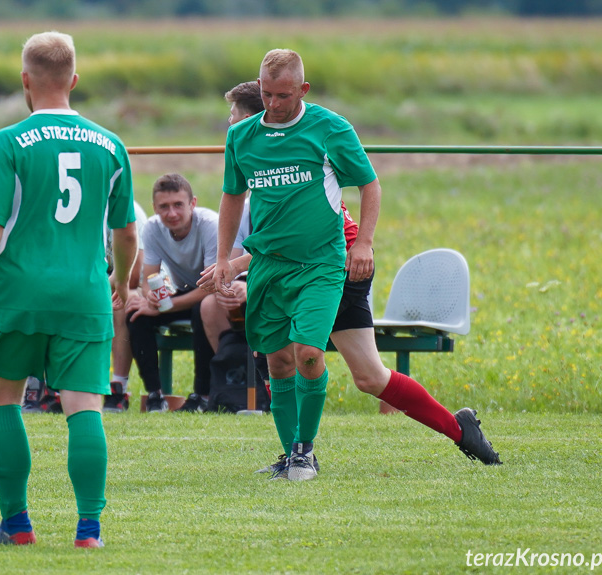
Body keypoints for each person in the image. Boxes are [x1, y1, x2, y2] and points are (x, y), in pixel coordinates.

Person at [214, 51, 501, 482]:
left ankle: (303, 453)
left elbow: (364, 187)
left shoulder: (327, 129)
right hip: (279, 268)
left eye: (282, 96)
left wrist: (363, 244)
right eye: (265, 95)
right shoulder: (245, 139)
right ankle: (456, 429)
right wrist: (228, 260)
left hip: (336, 268)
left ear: (302, 91)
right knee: (354, 374)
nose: (271, 104)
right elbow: (256, 211)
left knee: (321, 359)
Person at [0, 31, 137, 548]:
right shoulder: (111, 144)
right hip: (85, 294)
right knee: (85, 408)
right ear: (74, 80)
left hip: (18, 294)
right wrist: (120, 282)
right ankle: (89, 530)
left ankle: (16, 525)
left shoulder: (8, 142)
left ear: (25, 81)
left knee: (5, 403)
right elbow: (126, 233)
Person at [126, 173, 227, 413]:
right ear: (154, 208)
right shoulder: (152, 227)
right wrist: (150, 298)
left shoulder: (211, 224)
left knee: (201, 310)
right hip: (185, 291)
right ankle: (155, 395)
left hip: (216, 293)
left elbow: (212, 285)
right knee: (136, 313)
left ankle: (202, 394)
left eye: (178, 205)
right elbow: (148, 277)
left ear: (193, 203)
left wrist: (167, 305)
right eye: (164, 207)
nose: (171, 213)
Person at [103, 200, 149, 412]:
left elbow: (132, 275)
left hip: (140, 286)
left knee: (122, 301)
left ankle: (118, 387)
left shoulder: (130, 211)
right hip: (102, 284)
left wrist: (94, 288)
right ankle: (51, 388)